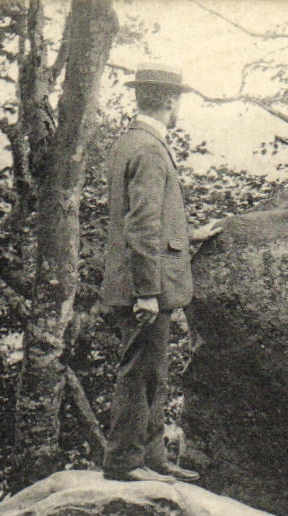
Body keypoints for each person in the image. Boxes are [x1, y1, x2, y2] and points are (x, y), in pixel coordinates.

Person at [99, 60, 198, 482]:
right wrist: (145, 291)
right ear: (171, 101)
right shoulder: (148, 148)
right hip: (145, 285)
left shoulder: (133, 141)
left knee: (152, 370)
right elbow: (141, 224)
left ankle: (152, 457)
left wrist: (192, 234)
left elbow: (154, 218)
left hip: (147, 280)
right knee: (138, 371)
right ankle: (124, 462)